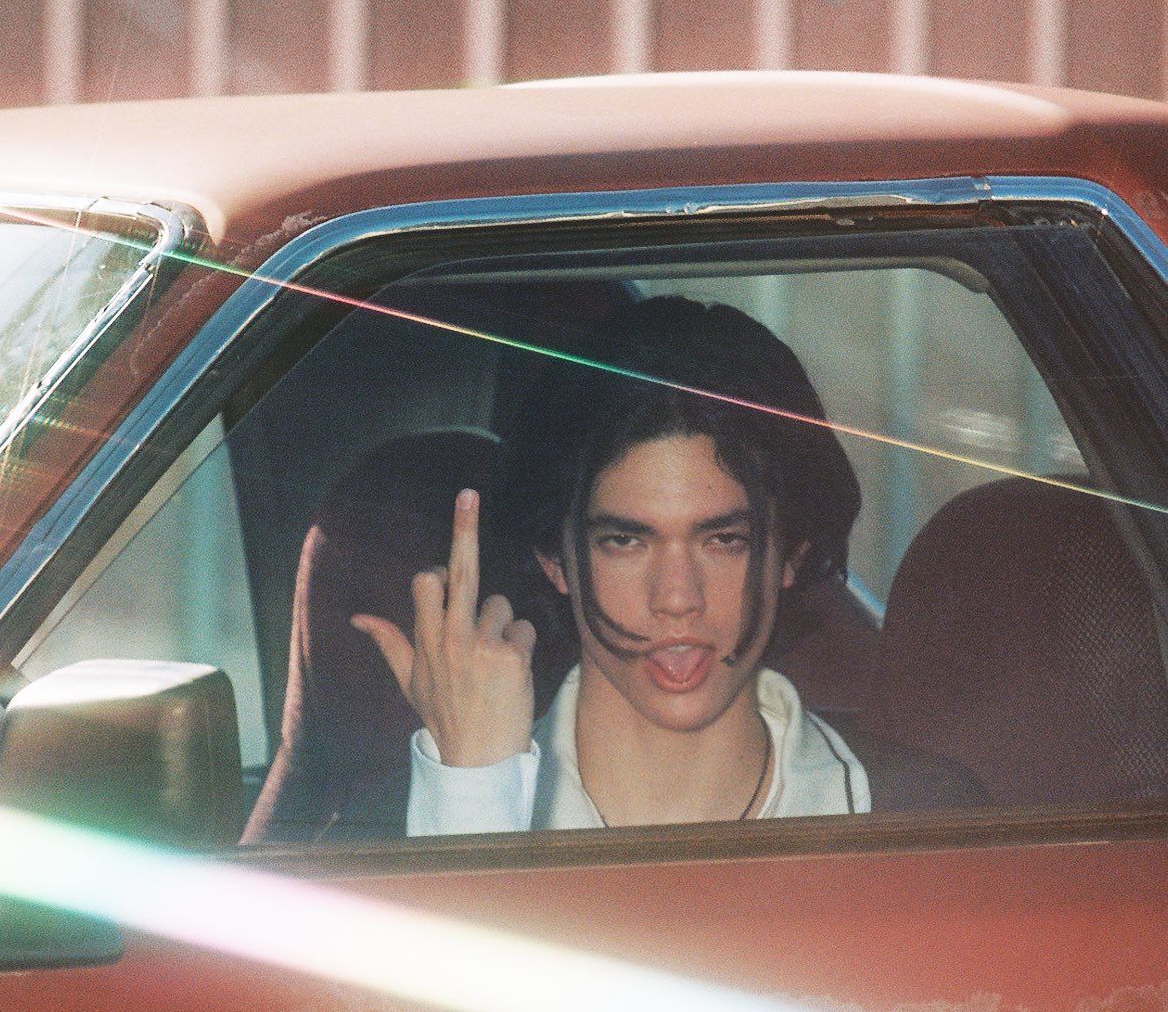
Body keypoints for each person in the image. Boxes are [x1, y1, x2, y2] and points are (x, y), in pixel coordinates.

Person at [350, 296, 978, 836]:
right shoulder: (412, 820)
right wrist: (474, 797)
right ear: (555, 560)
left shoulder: (919, 821)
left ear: (791, 555)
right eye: (625, 542)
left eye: (724, 540)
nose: (677, 599)